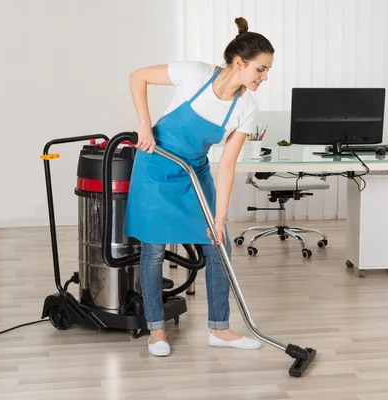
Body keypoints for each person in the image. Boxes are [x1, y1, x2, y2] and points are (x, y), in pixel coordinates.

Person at [123, 17, 274, 357]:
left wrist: (219, 218)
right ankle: (156, 331)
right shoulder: (196, 75)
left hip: (195, 170)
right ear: (240, 63)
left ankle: (219, 328)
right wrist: (144, 127)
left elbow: (228, 165)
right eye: (261, 70)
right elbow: (139, 76)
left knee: (218, 245)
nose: (265, 77)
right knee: (154, 250)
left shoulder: (246, 107)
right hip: (157, 167)